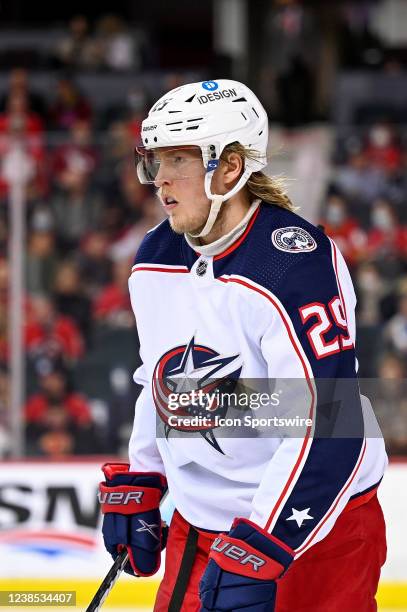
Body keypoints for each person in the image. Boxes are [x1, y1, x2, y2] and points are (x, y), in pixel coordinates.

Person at [98, 79, 387, 611]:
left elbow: (330, 422)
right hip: (201, 528)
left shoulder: (293, 264)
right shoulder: (155, 257)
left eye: (178, 159)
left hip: (316, 530)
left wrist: (265, 544)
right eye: (155, 161)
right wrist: (144, 473)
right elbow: (158, 379)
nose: (160, 179)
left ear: (229, 168)